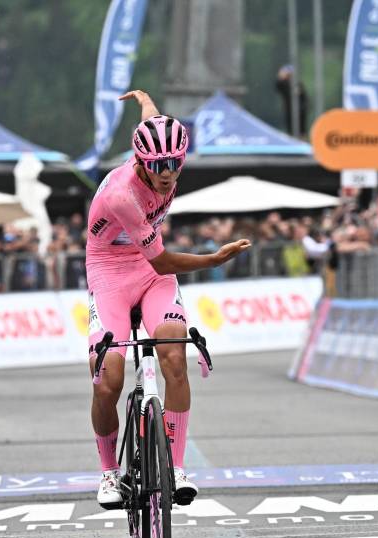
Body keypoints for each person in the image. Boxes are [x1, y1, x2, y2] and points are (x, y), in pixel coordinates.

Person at [86, 89, 250, 509]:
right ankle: (108, 474)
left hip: (147, 269)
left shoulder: (158, 149)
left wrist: (144, 99)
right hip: (111, 271)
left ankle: (176, 469)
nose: (167, 174)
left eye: (175, 165)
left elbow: (152, 120)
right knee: (109, 378)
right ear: (140, 161)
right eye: (158, 166)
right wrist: (214, 257)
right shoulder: (122, 195)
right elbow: (162, 262)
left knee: (175, 355)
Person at [275, 64, 309, 137]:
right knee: (290, 129)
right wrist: (281, 77)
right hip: (289, 110)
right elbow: (278, 86)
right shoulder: (284, 84)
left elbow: (304, 97)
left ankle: (301, 140)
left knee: (301, 129)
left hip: (300, 111)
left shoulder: (297, 83)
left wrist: (303, 107)